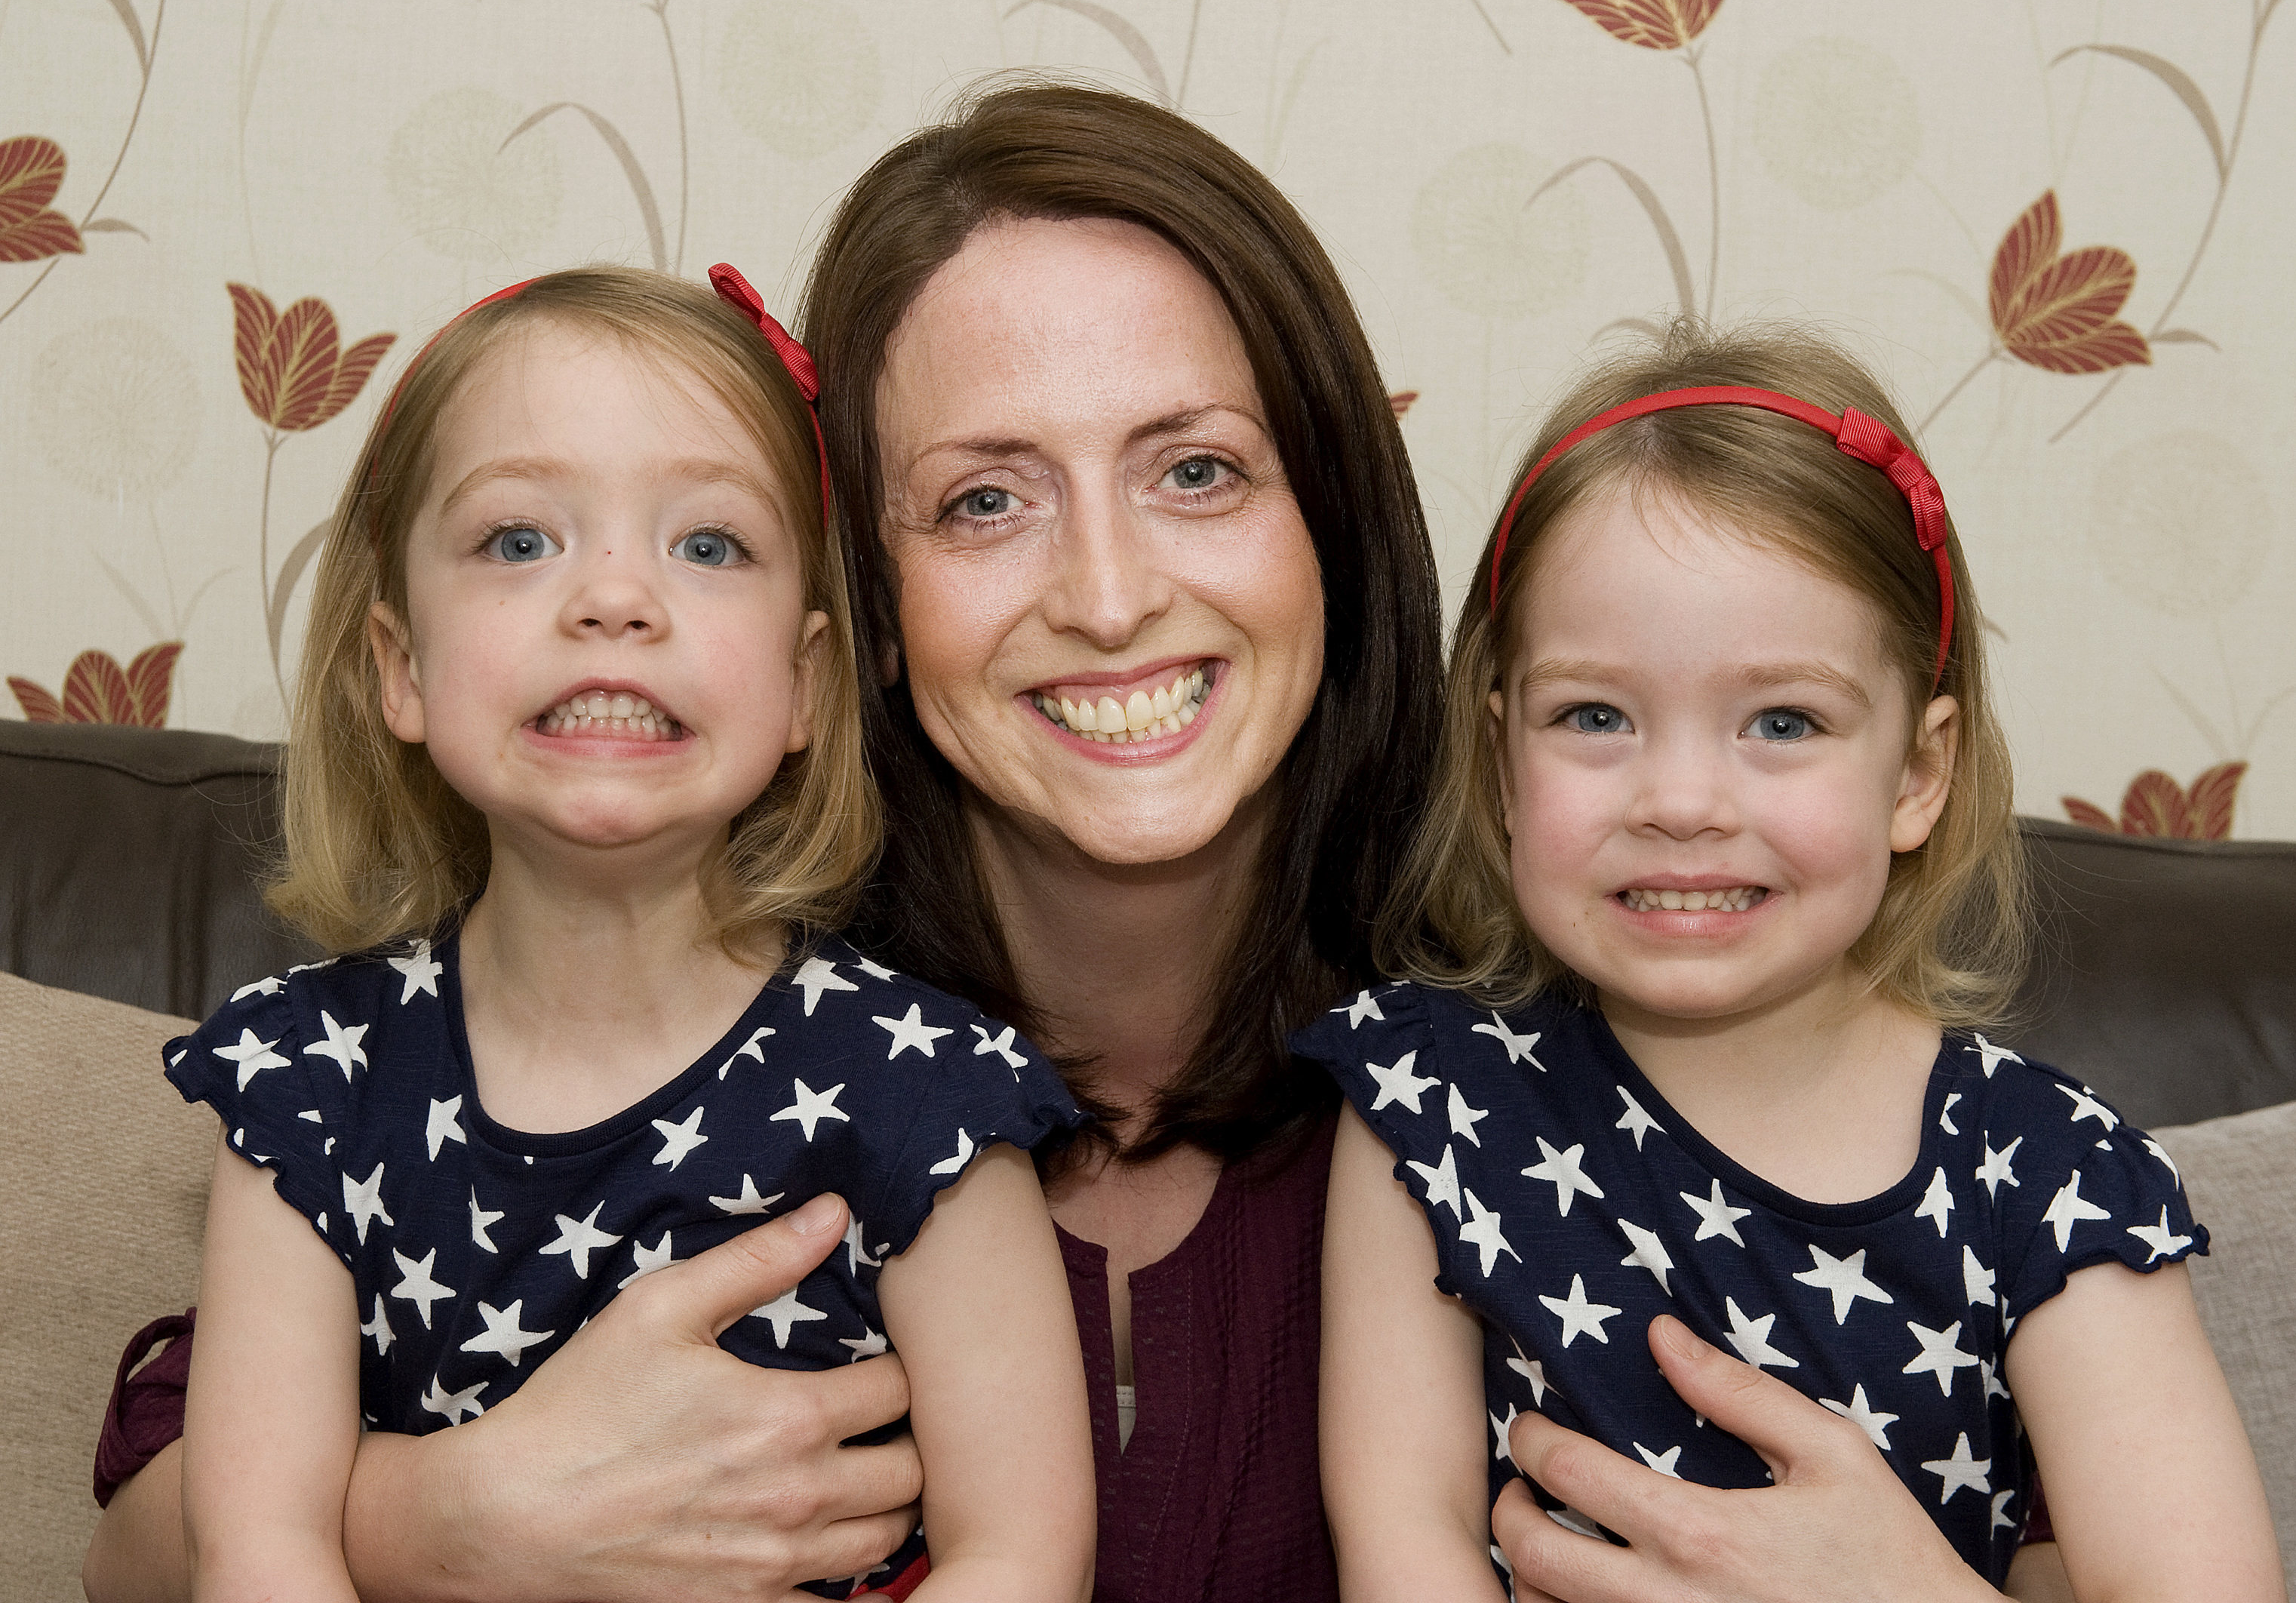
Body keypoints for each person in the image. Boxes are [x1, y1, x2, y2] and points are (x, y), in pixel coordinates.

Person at [88, 88, 2096, 1603]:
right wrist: (443, 1518)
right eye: (980, 503)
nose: (1113, 593)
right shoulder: (683, 1039)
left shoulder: (1547, 1096)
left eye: (1197, 472)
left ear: (1331, 523)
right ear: (840, 617)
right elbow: (142, 1527)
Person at [1299, 321, 2283, 1599]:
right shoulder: (1430, 1102)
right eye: (1594, 715)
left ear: (1918, 775)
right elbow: (1405, 1544)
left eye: (1783, 720)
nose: (1684, 798)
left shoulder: (2050, 1180)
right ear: (1499, 761)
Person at [158, 263, 1094, 1603]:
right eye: (520, 541)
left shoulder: (923, 1090)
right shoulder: (308, 1090)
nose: (613, 598)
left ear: (805, 685)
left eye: (706, 546)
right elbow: (254, 1551)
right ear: (401, 667)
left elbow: (1021, 1559)